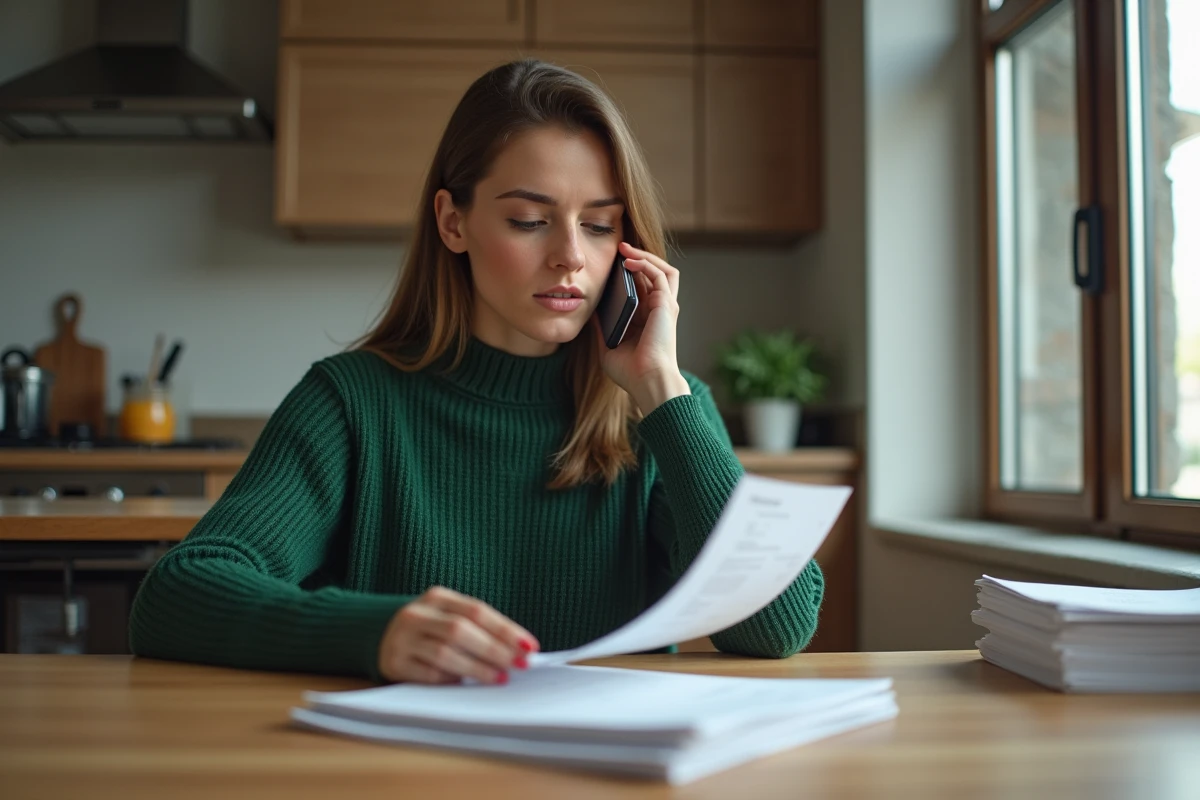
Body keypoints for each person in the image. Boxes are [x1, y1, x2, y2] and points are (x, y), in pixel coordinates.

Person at [129, 59, 824, 685]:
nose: (571, 258)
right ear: (452, 222)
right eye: (529, 220)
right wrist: (375, 632)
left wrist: (663, 392)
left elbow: (778, 628)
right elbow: (177, 594)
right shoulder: (352, 404)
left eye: (600, 225)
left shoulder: (660, 409)